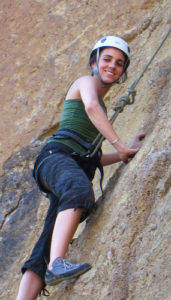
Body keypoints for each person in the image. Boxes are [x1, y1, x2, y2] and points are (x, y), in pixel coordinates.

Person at [16, 36, 145, 300]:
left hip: (67, 164)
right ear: (93, 62)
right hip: (56, 158)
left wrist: (123, 154)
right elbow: (91, 106)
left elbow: (92, 158)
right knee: (78, 188)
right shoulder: (84, 84)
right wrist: (120, 144)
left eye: (119, 63)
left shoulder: (100, 109)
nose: (112, 66)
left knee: (46, 242)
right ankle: (57, 264)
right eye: (107, 59)